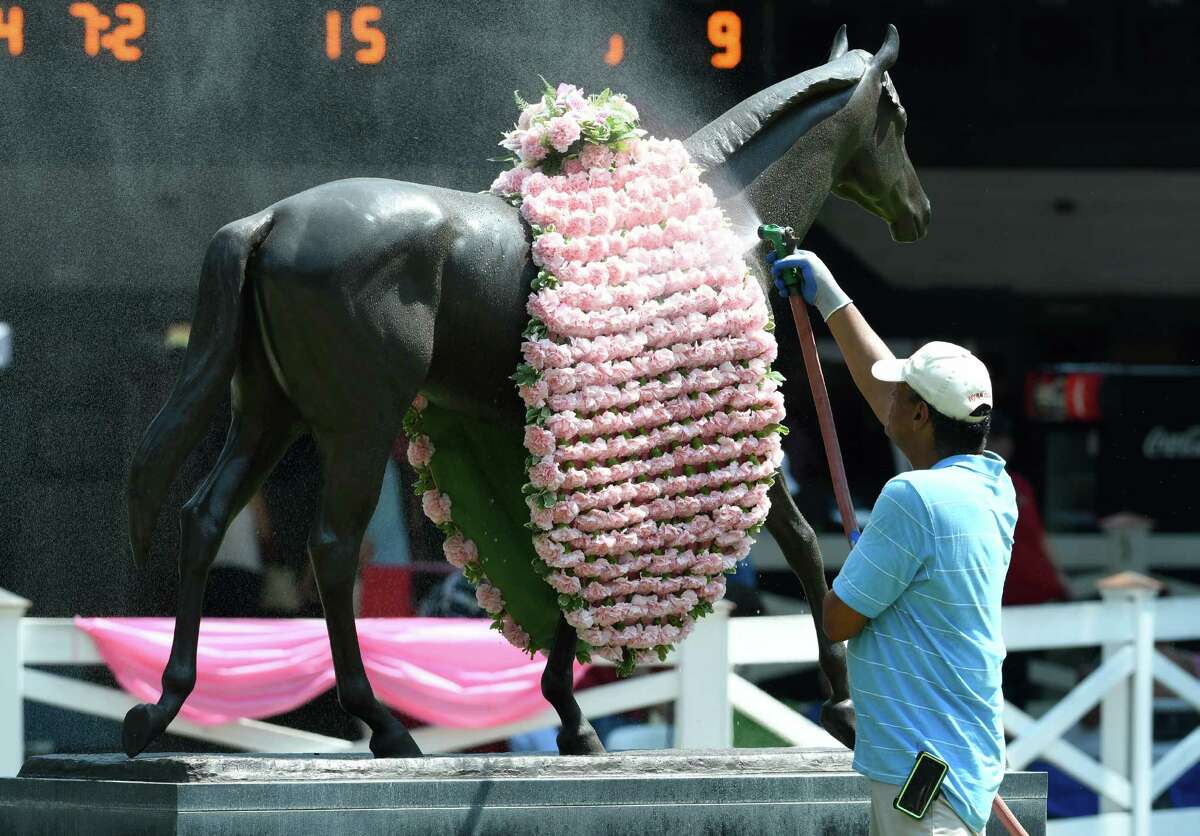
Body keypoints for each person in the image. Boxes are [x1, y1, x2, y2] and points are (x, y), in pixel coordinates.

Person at [769, 249, 1016, 836]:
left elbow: (839, 620)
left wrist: (865, 554)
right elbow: (891, 397)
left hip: (923, 771)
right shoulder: (994, 486)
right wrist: (831, 299)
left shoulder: (913, 498)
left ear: (923, 417)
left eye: (903, 397)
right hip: (954, 756)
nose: (890, 406)